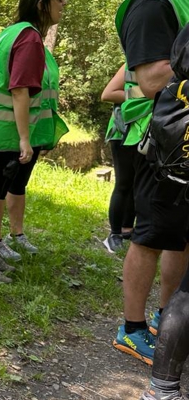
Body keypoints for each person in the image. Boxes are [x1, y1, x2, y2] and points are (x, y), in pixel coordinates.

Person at [0, 0, 69, 283]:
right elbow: (19, 90)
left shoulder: (13, 32)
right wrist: (25, 138)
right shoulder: (29, 37)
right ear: (41, 4)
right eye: (59, 0)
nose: (64, 3)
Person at [111, 0, 189, 365]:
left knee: (180, 237)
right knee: (150, 237)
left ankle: (165, 316)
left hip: (179, 142)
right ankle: (132, 328)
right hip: (158, 142)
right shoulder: (151, 5)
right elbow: (151, 78)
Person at [133, 23, 189, 400]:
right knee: (151, 242)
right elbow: (139, 81)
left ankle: (162, 392)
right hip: (167, 169)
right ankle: (133, 327)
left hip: (173, 164)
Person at [101, 66, 137, 254]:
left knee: (137, 184)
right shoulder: (130, 63)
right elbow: (107, 94)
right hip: (122, 131)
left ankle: (127, 229)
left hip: (144, 133)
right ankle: (113, 235)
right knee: (123, 183)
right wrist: (142, 92)